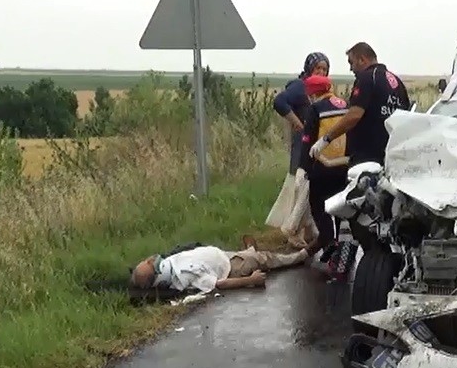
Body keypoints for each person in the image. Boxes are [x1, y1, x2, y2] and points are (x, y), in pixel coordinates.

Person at [310, 42, 411, 167]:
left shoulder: (367, 78)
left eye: (351, 63)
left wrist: (326, 139)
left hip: (367, 159)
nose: (351, 69)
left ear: (362, 60)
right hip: (392, 157)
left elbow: (354, 115)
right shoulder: (398, 83)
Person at [298, 73, 355, 278]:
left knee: (318, 205)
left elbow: (308, 139)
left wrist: (303, 168)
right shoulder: (345, 105)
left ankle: (329, 241)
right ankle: (340, 248)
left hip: (323, 164)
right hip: (345, 165)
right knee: (340, 208)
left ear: (313, 93)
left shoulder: (315, 109)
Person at [129, 241, 308, 295]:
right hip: (231, 267)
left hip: (221, 257)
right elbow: (219, 284)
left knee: (251, 255)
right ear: (159, 276)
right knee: (265, 258)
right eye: (151, 263)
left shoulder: (169, 264)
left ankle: (250, 249)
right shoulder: (187, 274)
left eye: (148, 260)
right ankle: (300, 256)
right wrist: (251, 280)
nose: (152, 259)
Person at [273, 52, 330, 175]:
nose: (321, 72)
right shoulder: (300, 85)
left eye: (324, 69)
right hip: (302, 145)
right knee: (297, 179)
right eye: (318, 68)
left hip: (318, 147)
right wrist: (297, 123)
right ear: (309, 68)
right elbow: (279, 102)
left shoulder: (324, 89)